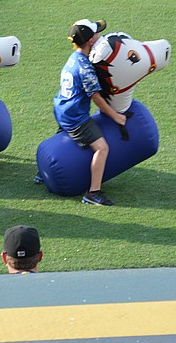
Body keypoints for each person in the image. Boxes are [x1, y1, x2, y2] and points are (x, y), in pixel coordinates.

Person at [53, 19, 126, 206]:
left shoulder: (74, 58)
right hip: (75, 116)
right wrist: (115, 115)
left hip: (61, 108)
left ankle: (42, 171)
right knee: (102, 148)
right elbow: (96, 97)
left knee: (63, 135)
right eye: (97, 33)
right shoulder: (84, 67)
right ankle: (93, 192)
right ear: (91, 41)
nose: (100, 36)